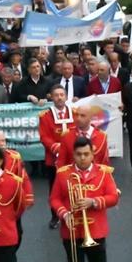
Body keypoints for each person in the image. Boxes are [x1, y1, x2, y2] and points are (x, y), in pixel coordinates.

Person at [51, 137, 119, 262]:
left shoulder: (104, 173)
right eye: (79, 154)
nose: (82, 158)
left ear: (92, 154)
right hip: (72, 230)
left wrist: (94, 202)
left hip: (95, 230)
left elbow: (113, 197)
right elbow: (55, 199)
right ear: (73, 155)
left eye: (86, 154)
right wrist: (64, 214)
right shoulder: (63, 174)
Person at [38, 85, 75, 228]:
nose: (59, 97)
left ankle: (74, 213)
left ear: (66, 97)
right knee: (55, 188)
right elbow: (44, 136)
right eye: (56, 95)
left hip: (73, 159)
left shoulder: (75, 113)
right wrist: (58, 148)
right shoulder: (46, 116)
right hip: (53, 159)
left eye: (62, 95)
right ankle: (55, 216)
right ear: (51, 98)